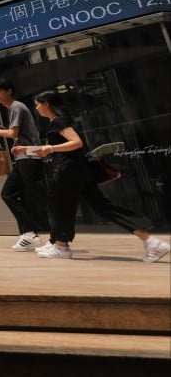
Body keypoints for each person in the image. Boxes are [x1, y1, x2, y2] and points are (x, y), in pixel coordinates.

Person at [14, 90, 170, 263]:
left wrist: (50, 148)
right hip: (77, 171)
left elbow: (76, 143)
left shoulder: (58, 121)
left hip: (69, 172)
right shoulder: (56, 122)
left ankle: (61, 246)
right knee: (102, 208)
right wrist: (28, 151)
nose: (36, 108)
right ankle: (151, 242)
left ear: (46, 104)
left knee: (60, 207)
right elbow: (55, 149)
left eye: (37, 104)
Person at [0, 78, 49, 251]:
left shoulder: (16, 107)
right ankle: (29, 233)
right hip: (25, 159)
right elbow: (16, 133)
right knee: (15, 195)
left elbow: (13, 132)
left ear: (9, 91)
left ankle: (34, 234)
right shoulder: (15, 108)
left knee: (20, 195)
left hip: (28, 158)